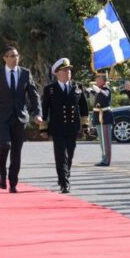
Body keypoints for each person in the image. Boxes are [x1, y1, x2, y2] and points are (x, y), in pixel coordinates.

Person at [0, 45, 42, 193]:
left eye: (16, 56)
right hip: (2, 117)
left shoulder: (25, 73)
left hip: (20, 118)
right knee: (4, 146)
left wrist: (37, 113)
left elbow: (34, 95)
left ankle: (13, 182)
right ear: (5, 58)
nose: (15, 58)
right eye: (11, 56)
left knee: (16, 151)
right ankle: (2, 174)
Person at [40, 58, 89, 193]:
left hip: (73, 126)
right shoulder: (50, 89)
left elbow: (84, 107)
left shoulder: (77, 87)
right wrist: (43, 128)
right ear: (57, 73)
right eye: (65, 70)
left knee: (70, 154)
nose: (68, 72)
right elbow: (45, 110)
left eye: (69, 70)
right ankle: (64, 182)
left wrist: (85, 125)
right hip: (57, 127)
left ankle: (65, 175)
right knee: (61, 155)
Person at [90, 72, 114, 166]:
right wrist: (91, 91)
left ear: (103, 81)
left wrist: (99, 90)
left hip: (105, 117)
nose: (96, 80)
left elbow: (105, 95)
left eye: (98, 79)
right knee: (102, 140)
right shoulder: (98, 89)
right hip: (98, 116)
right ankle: (104, 158)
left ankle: (106, 160)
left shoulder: (106, 89)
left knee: (106, 141)